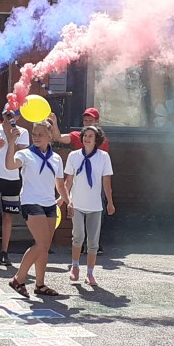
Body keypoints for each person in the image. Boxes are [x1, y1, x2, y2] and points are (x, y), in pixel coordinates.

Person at [4, 120, 69, 298]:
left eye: (41, 134)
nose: (36, 137)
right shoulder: (25, 154)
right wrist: (11, 142)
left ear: (50, 136)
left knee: (45, 246)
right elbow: (10, 165)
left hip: (50, 204)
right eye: (34, 134)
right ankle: (18, 279)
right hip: (31, 201)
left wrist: (68, 201)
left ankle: (40, 285)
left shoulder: (56, 158)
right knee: (41, 243)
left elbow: (60, 185)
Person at [49, 108, 109, 255]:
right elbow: (58, 137)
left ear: (97, 122)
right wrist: (55, 123)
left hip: (95, 183)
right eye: (85, 120)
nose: (87, 123)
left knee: (97, 212)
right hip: (79, 182)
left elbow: (103, 167)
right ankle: (79, 244)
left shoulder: (102, 142)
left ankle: (93, 243)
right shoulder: (77, 136)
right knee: (77, 213)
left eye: (91, 121)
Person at [63, 125, 115, 286]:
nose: (87, 138)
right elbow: (68, 180)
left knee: (93, 242)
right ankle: (75, 266)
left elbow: (106, 181)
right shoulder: (73, 156)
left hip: (95, 205)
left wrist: (110, 202)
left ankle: (90, 273)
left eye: (91, 136)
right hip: (77, 204)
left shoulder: (103, 156)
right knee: (78, 236)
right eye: (85, 135)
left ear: (96, 139)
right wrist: (66, 199)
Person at [0, 107, 29, 266]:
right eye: (7, 114)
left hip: (12, 179)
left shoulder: (22, 132)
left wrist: (11, 138)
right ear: (2, 114)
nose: (10, 118)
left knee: (8, 216)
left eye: (13, 115)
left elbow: (20, 157)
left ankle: (4, 252)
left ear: (19, 116)